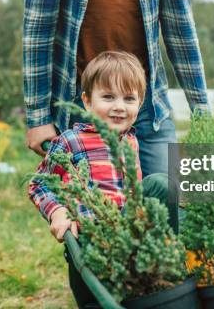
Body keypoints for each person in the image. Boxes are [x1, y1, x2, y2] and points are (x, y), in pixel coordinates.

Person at [23, 0, 209, 176]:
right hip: (80, 103)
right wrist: (38, 117)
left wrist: (202, 110)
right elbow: (38, 30)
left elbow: (181, 32)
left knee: (166, 200)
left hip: (146, 106)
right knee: (88, 210)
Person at [28, 51, 175, 307]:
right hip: (90, 240)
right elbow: (39, 183)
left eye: (129, 98)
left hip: (129, 241)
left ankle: (171, 257)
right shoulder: (71, 141)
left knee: (162, 184)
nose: (119, 106)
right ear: (86, 101)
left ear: (139, 104)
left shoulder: (131, 141)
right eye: (108, 97)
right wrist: (58, 211)